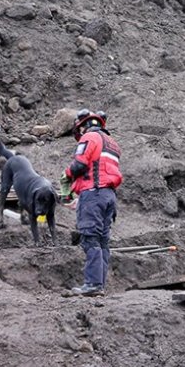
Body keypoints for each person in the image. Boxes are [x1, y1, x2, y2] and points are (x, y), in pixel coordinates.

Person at [61, 109, 123, 296]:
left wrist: (67, 176)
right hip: (108, 196)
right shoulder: (112, 144)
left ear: (84, 126)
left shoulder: (89, 138)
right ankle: (99, 284)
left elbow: (80, 165)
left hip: (94, 196)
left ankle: (93, 285)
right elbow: (101, 171)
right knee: (103, 241)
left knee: (90, 238)